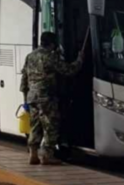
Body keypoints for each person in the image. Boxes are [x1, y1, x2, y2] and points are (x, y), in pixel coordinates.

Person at [20, 31, 84, 165]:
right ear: (53, 44)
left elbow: (24, 78)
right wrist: (79, 60)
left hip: (32, 97)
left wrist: (25, 97)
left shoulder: (30, 56)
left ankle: (33, 154)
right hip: (46, 97)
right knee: (51, 125)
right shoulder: (50, 57)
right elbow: (68, 70)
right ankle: (47, 155)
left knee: (35, 125)